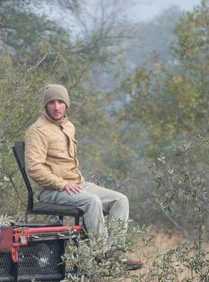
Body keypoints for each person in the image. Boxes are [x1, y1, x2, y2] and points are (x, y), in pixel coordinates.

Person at [24, 84, 141, 268]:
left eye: (60, 102)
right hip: (50, 190)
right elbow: (35, 169)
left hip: (77, 184)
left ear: (66, 104)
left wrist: (73, 183)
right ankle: (103, 255)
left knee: (120, 200)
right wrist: (62, 184)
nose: (56, 107)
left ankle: (117, 254)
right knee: (91, 201)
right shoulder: (37, 131)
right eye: (52, 102)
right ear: (45, 106)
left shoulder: (68, 126)